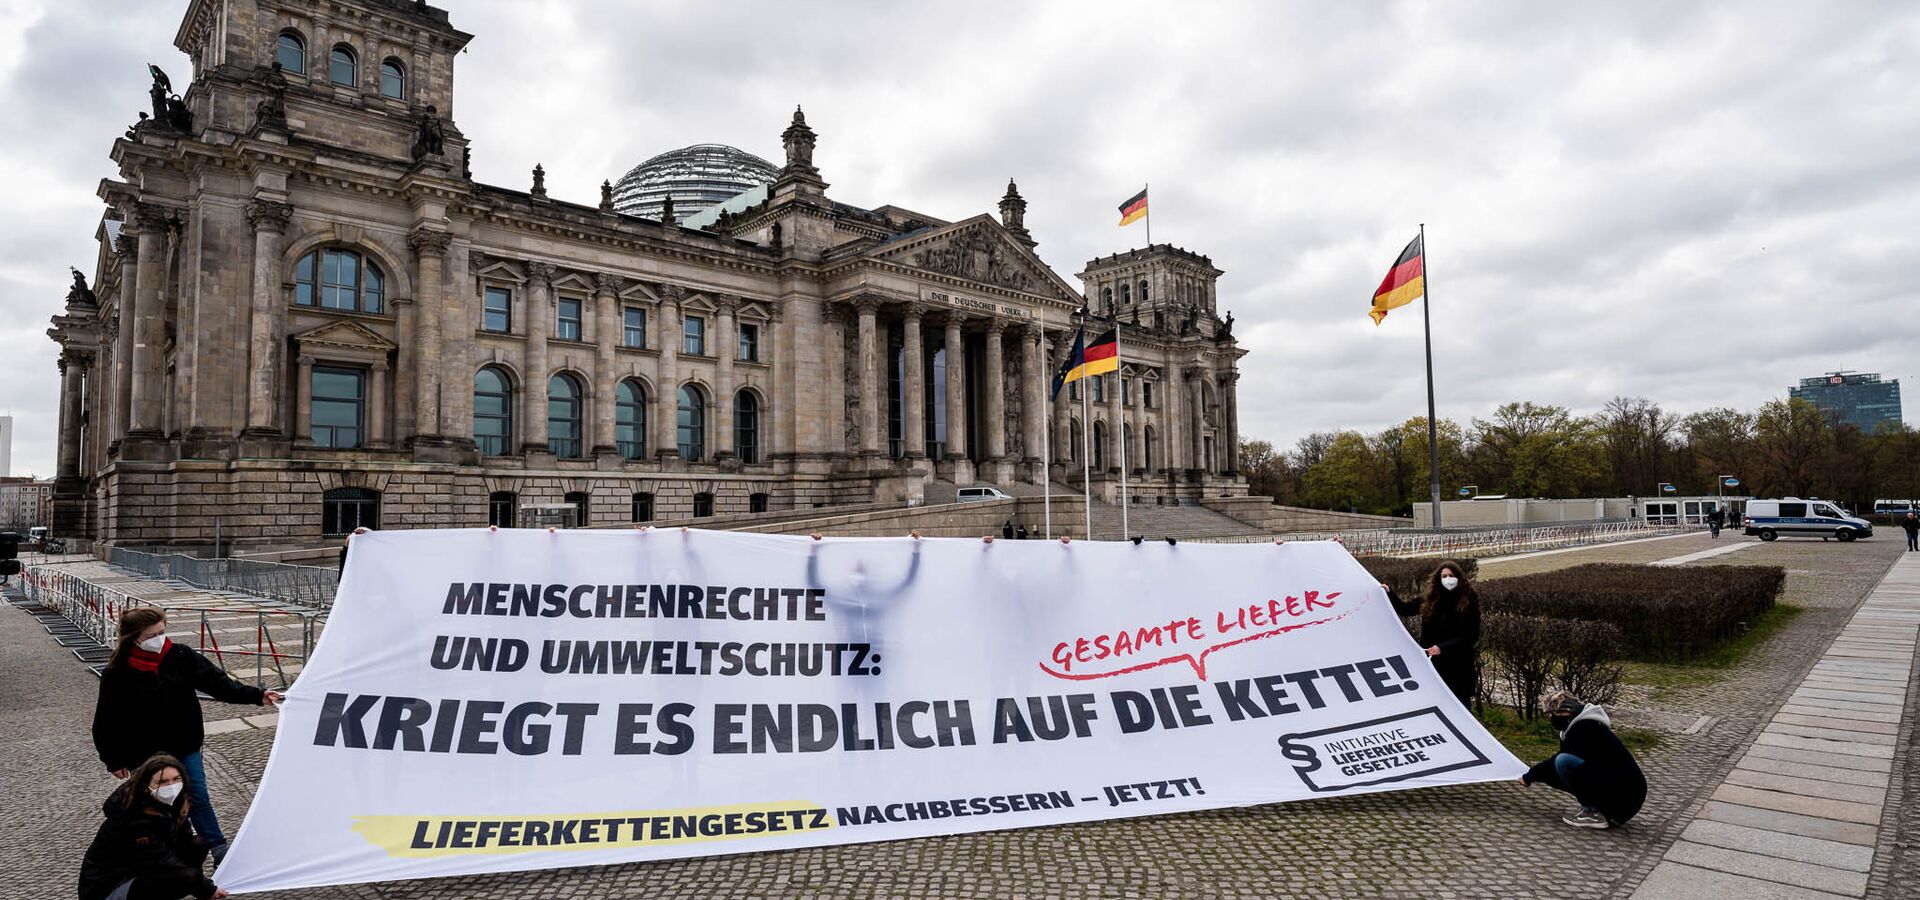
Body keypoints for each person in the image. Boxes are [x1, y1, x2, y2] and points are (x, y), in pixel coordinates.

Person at [92, 608, 280, 862]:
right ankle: (168, 856)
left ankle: (219, 850)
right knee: (155, 805)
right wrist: (112, 759)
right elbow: (107, 719)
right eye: (152, 635)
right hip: (144, 753)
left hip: (185, 744)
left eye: (162, 632)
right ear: (134, 638)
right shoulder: (117, 672)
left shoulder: (180, 655)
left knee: (197, 796)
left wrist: (257, 696)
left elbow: (219, 684)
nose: (160, 639)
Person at [78, 753, 229, 900]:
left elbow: (184, 839)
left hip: (142, 868)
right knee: (188, 876)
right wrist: (205, 888)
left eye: (176, 779)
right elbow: (161, 859)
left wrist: (198, 883)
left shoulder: (176, 802)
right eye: (162, 782)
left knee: (199, 844)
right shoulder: (132, 815)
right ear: (146, 785)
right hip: (111, 885)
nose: (171, 786)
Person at [1520, 691, 1647, 829]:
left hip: (1625, 798)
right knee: (1557, 768)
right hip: (1624, 794)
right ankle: (1597, 809)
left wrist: (1530, 775)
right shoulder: (1577, 727)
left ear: (1565, 712)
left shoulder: (1584, 728)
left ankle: (1592, 812)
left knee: (1563, 761)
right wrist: (1536, 776)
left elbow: (1560, 759)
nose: (1551, 718)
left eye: (1553, 714)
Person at [1385, 560, 1481, 705]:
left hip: (1458, 664)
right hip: (1433, 663)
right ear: (1438, 579)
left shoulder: (1468, 601)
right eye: (1444, 576)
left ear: (1459, 577)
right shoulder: (1430, 599)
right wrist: (1389, 593)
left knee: (1459, 703)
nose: (1448, 579)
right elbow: (1405, 609)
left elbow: (1471, 636)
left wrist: (1442, 648)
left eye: (1451, 575)